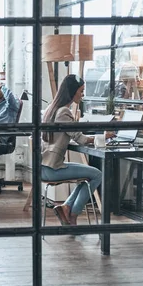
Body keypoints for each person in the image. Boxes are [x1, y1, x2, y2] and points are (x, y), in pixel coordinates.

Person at [41, 74, 111, 226]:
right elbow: (82, 139)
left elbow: (69, 135)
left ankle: (66, 207)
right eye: (81, 91)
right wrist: (104, 136)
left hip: (44, 166)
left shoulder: (51, 109)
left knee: (87, 175)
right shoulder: (64, 112)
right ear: (72, 92)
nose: (82, 94)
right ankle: (73, 213)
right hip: (52, 169)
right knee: (96, 174)